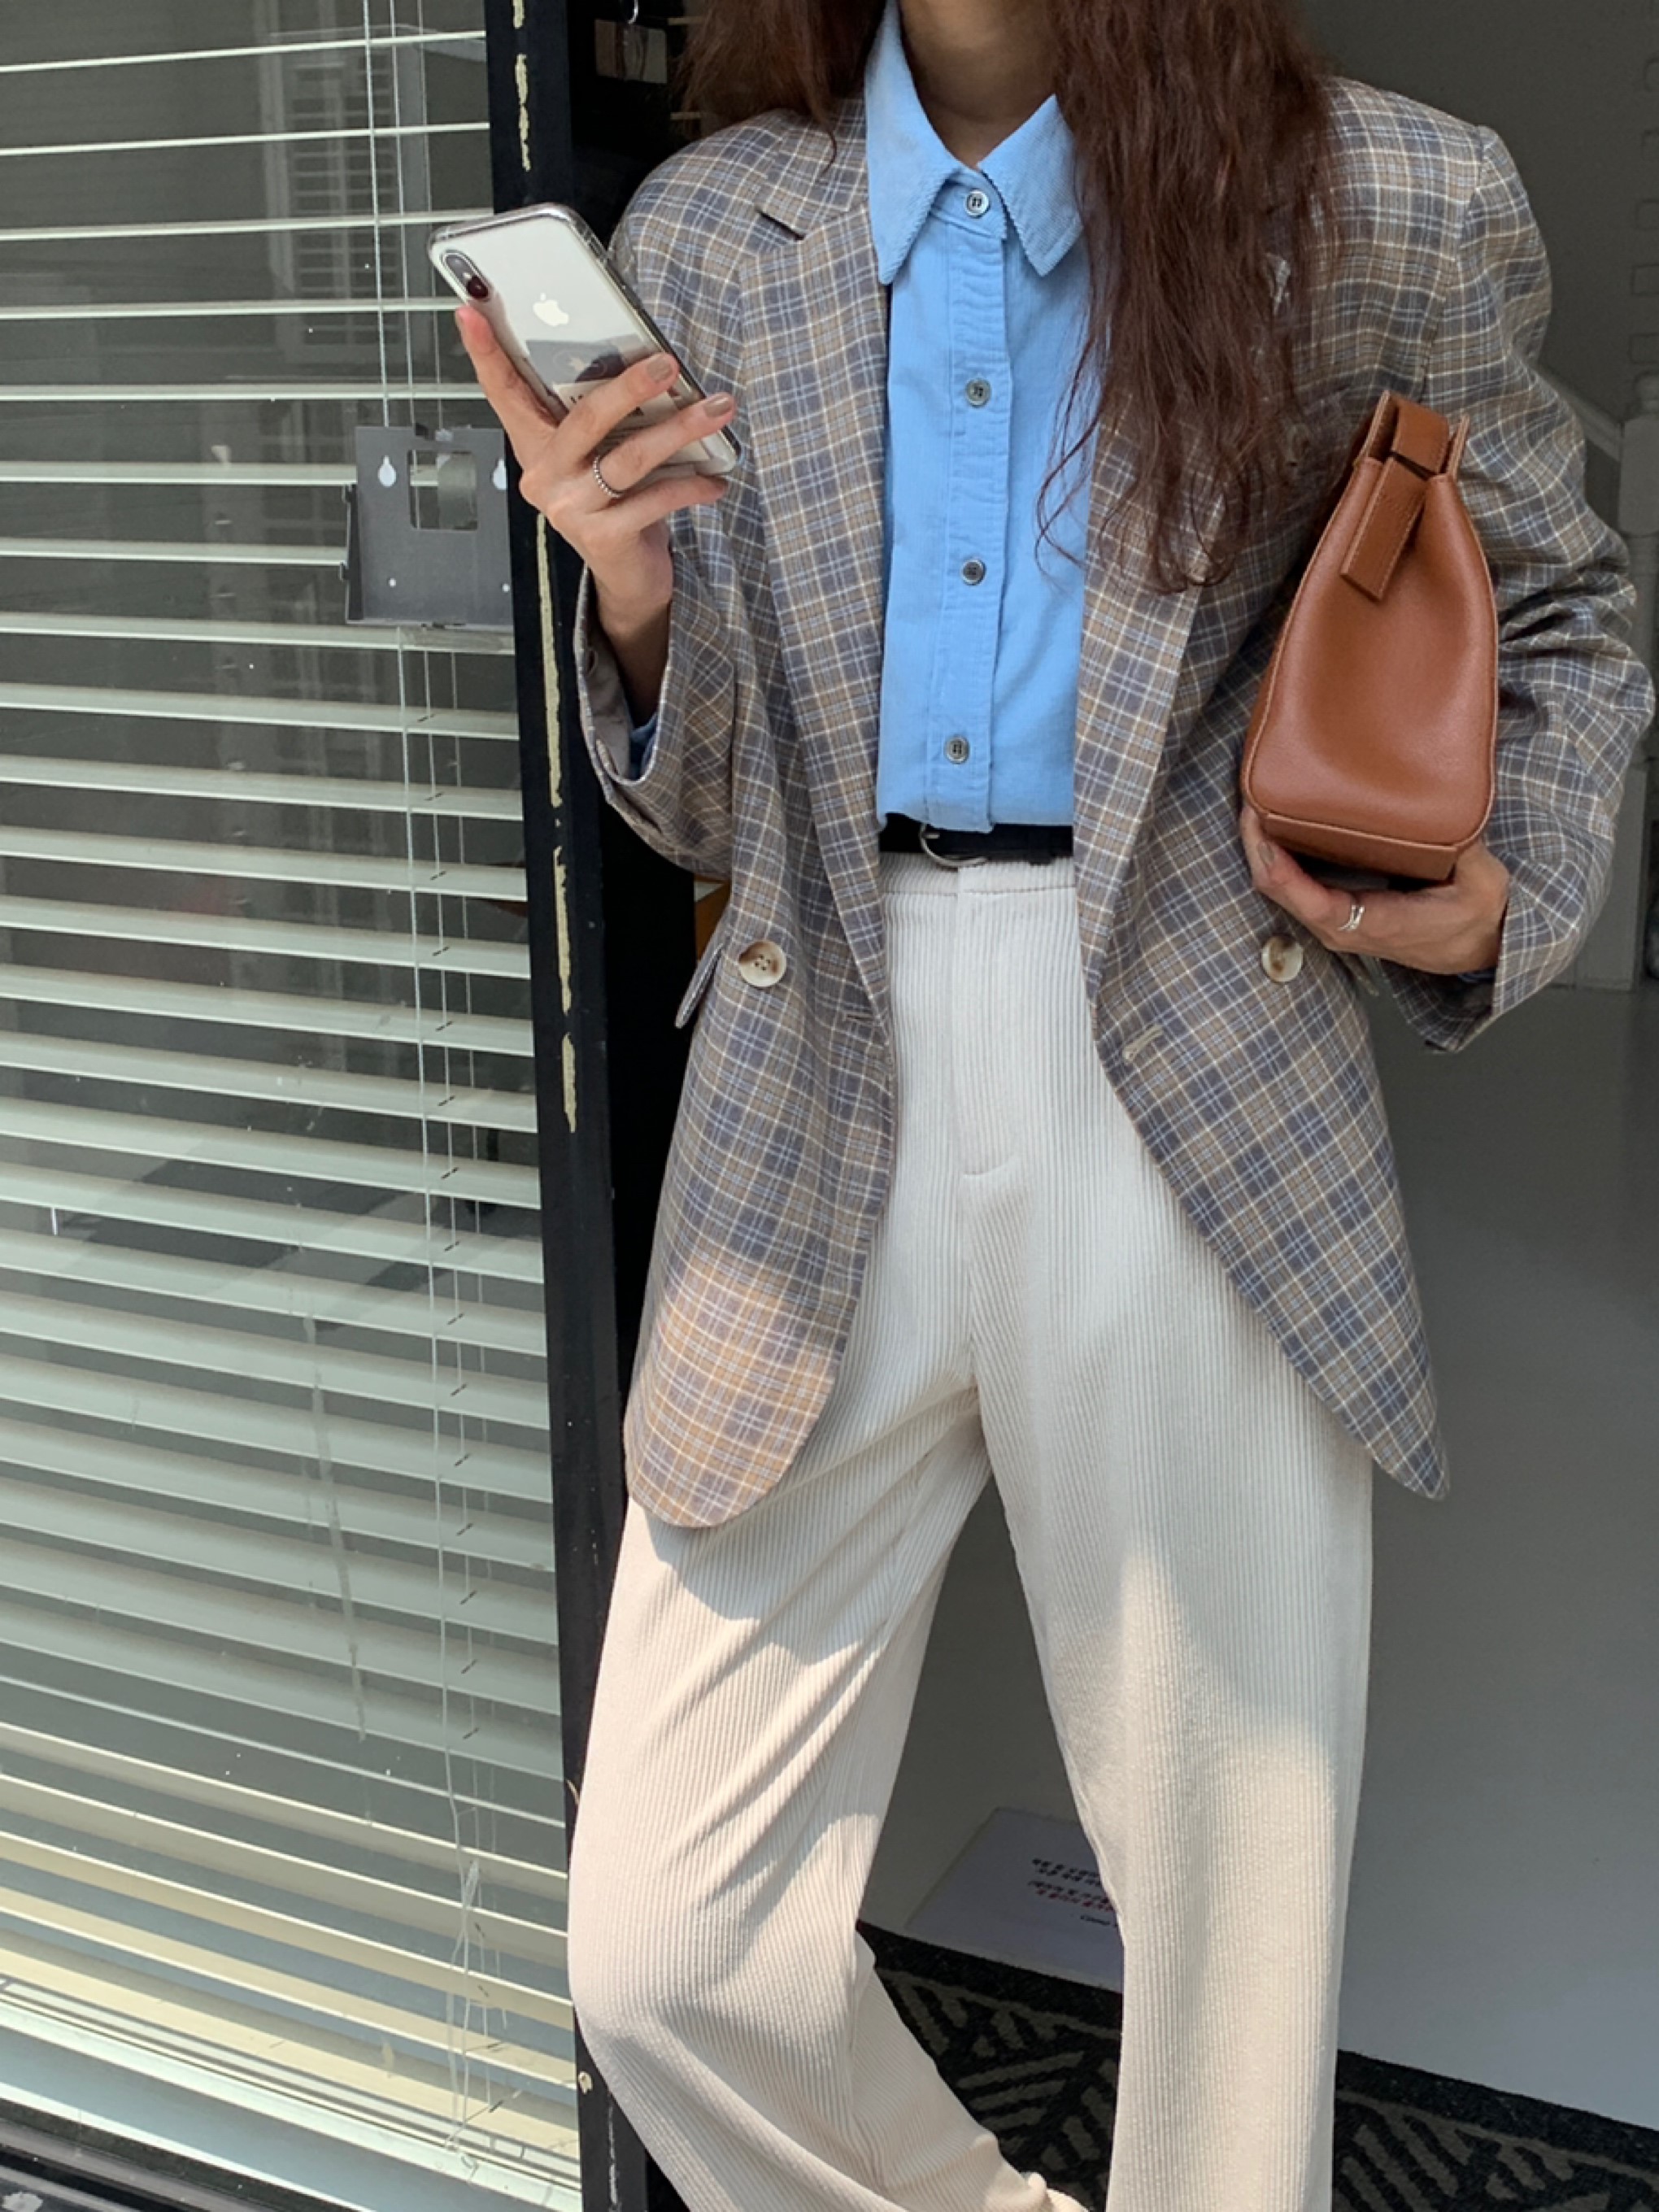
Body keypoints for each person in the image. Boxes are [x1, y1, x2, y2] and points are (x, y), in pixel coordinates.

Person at [460, 0, 1652, 2205]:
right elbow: (710, 799)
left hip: (1197, 1050)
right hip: (815, 1064)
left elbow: (1565, 612)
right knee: (661, 1953)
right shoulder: (718, 228)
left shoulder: (1381, 196)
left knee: (1228, 1956)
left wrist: (1507, 884)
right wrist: (628, 587)